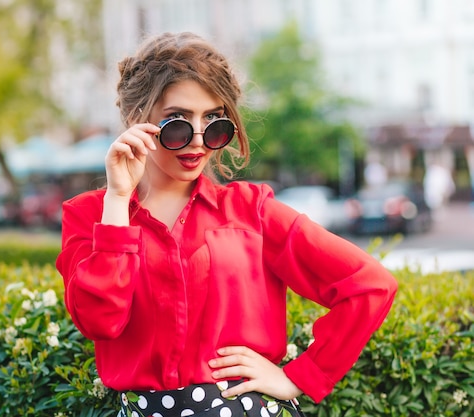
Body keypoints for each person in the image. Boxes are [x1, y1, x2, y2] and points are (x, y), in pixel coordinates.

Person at [56, 32, 397, 417]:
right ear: (137, 119)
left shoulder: (254, 212)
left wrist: (301, 377)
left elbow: (369, 285)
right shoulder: (90, 216)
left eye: (214, 121)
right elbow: (101, 320)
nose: (198, 141)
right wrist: (117, 200)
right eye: (177, 122)